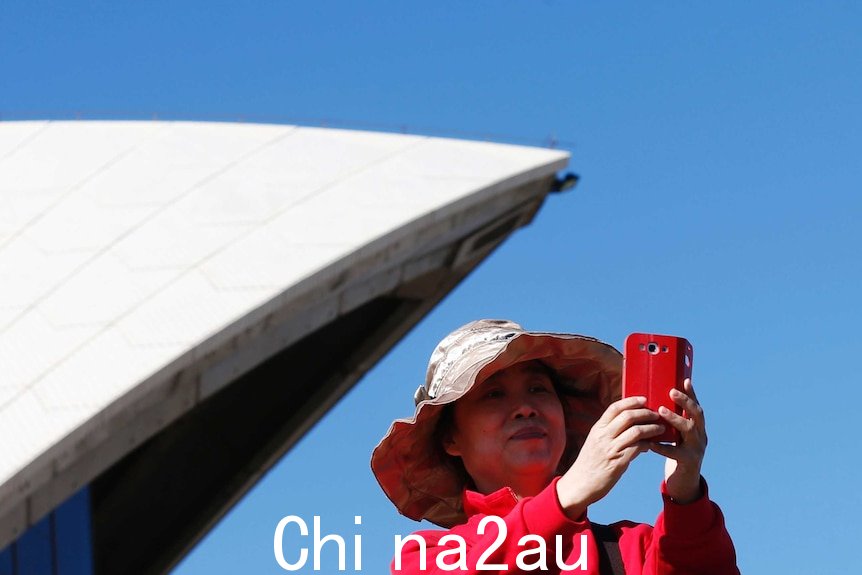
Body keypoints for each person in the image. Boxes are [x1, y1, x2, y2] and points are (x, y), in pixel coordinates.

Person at [372, 319, 739, 574]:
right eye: (493, 395)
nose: (526, 407)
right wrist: (565, 497)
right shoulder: (425, 558)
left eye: (538, 389)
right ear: (450, 439)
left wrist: (685, 496)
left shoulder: (636, 548)